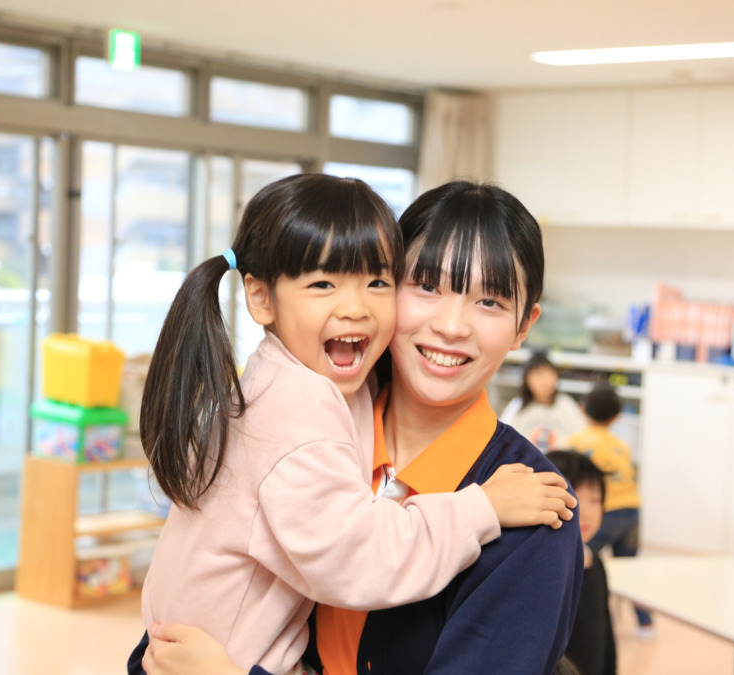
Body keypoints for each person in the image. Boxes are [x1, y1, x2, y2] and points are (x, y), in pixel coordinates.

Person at [128, 174, 577, 675]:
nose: (452, 325)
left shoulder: (534, 511)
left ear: (524, 325)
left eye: (489, 301)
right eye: (425, 286)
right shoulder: (313, 416)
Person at [563, 381, 653, 638]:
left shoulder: (575, 442)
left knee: (583, 565)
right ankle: (645, 624)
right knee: (630, 570)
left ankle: (590, 615)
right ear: (616, 416)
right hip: (632, 512)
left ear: (582, 409)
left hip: (604, 512)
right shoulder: (621, 445)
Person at [546, 450, 617, 675]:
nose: (585, 512)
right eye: (573, 497)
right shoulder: (542, 569)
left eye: (595, 500)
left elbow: (605, 635)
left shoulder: (594, 561)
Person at [500, 352, 587, 451]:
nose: (545, 381)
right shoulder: (517, 406)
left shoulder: (566, 404)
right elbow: (504, 439)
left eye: (549, 374)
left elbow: (582, 437)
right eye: (538, 375)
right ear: (527, 380)